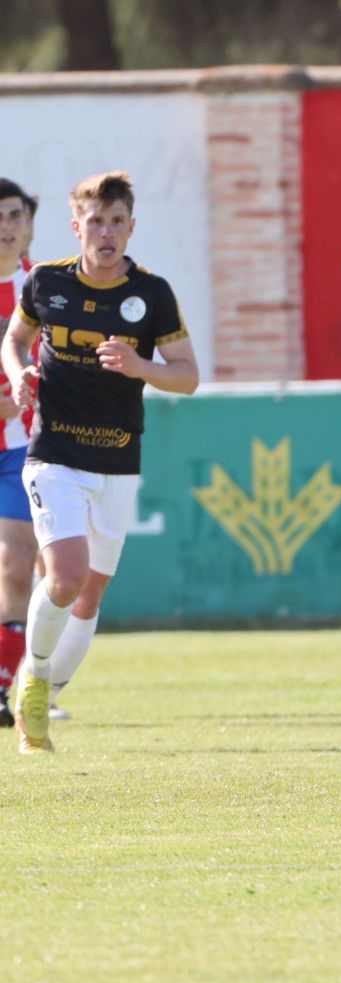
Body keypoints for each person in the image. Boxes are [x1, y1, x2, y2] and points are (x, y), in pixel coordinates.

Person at [0, 171, 201, 754]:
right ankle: (32, 678)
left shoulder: (153, 294)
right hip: (52, 454)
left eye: (117, 222)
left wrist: (141, 367)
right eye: (96, 221)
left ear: (131, 227)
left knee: (89, 596)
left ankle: (48, 685)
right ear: (76, 227)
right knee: (63, 576)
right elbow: (14, 341)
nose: (107, 232)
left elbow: (186, 374)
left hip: (117, 460)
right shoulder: (45, 283)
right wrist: (21, 374)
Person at [0, 178, 40, 729]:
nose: (5, 225)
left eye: (14, 215)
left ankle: (5, 687)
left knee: (15, 568)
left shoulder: (45, 289)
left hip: (21, 452)